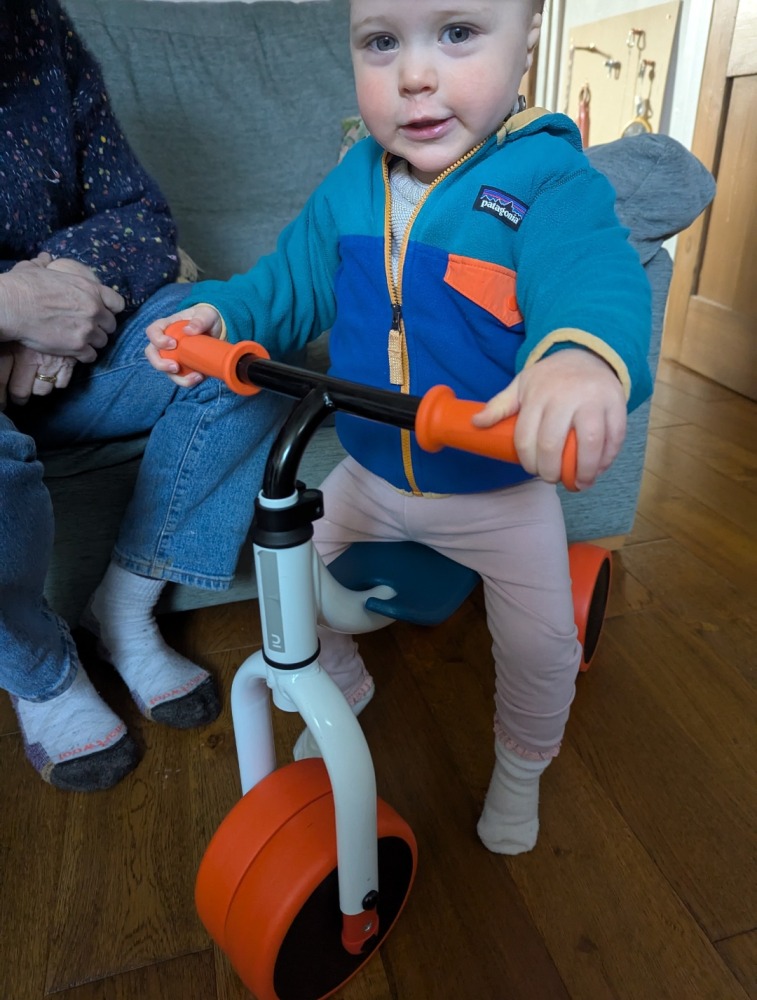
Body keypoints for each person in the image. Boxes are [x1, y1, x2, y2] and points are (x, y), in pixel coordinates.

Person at [146, 0, 653, 854]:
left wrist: (579, 356)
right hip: (373, 472)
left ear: (527, 37)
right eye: (381, 42)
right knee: (290, 583)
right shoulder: (352, 181)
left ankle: (521, 768)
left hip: (496, 489)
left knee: (537, 645)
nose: (414, 74)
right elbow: (290, 284)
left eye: (457, 34)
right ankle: (341, 688)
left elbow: (593, 279)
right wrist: (225, 315)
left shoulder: (547, 181)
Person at [0, 0, 288, 792]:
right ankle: (43, 670)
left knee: (246, 355)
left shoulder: (34, 25)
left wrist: (53, 311)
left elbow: (140, 217)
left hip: (79, 343)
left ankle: (124, 609)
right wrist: (9, 308)